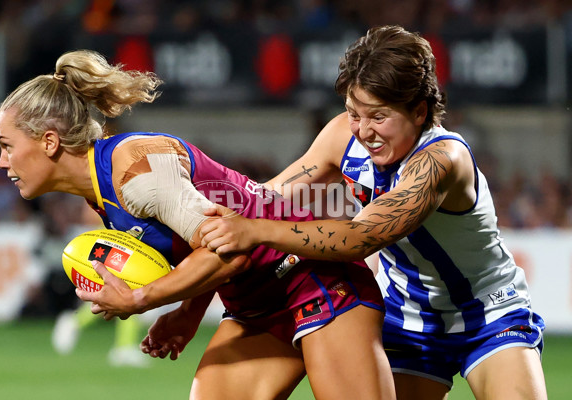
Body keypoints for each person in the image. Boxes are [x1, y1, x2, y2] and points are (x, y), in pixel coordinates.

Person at [0, 49, 395, 399]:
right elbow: (203, 241)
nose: (1, 162)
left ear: (48, 142)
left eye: (7, 146)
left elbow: (229, 251)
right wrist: (189, 311)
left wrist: (142, 299)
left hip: (313, 281)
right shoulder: (102, 189)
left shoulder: (137, 171)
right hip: (254, 305)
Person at [199, 25, 548, 400]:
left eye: (378, 116)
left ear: (419, 111)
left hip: (490, 314)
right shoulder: (341, 137)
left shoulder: (442, 160)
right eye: (353, 113)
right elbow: (264, 201)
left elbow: (359, 237)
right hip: (406, 317)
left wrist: (255, 231)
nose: (363, 131)